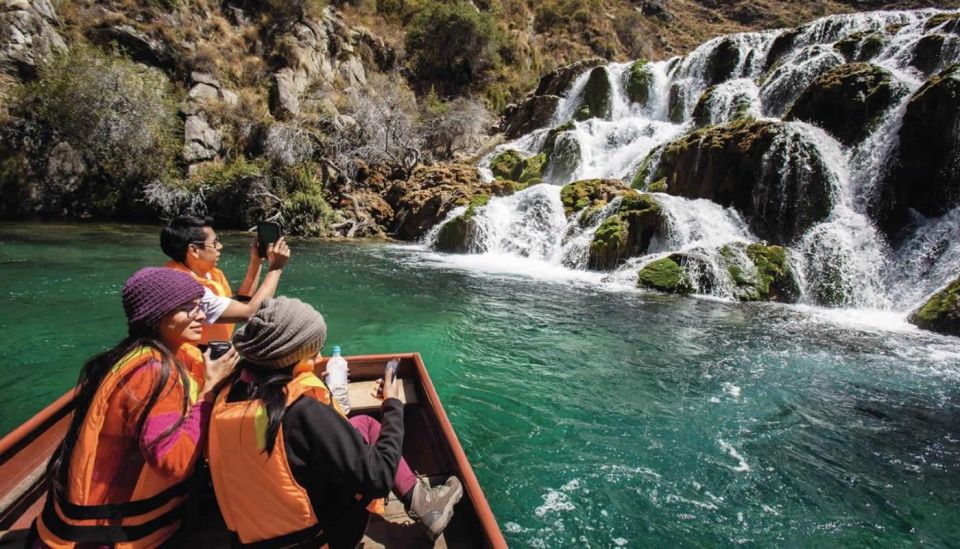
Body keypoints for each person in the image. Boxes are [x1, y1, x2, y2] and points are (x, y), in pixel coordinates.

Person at [206, 297, 463, 548]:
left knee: (363, 423)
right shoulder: (302, 413)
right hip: (320, 537)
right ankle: (423, 502)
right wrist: (392, 405)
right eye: (312, 354)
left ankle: (421, 500)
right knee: (375, 445)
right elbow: (380, 476)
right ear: (289, 360)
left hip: (254, 536)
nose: (319, 359)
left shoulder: (227, 396)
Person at [32, 268, 241, 548]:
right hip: (116, 532)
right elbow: (173, 464)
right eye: (186, 309)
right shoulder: (153, 374)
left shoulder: (132, 352)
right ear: (156, 316)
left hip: (88, 517)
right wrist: (211, 391)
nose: (201, 316)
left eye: (199, 306)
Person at [160, 216, 290, 345]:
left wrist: (256, 262)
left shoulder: (208, 273)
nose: (220, 246)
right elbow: (249, 312)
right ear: (194, 250)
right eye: (214, 243)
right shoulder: (187, 288)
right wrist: (276, 268)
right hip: (196, 359)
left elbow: (242, 302)